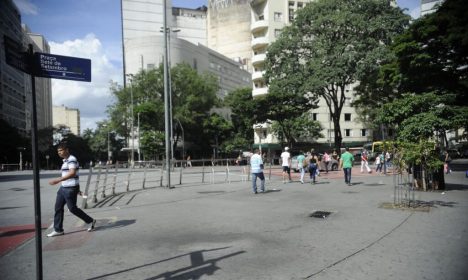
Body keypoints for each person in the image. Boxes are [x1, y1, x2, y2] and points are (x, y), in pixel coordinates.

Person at [47, 142, 96, 237]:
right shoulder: (65, 161)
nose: (59, 153)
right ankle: (58, 230)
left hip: (70, 188)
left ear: (67, 150)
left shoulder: (72, 159)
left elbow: (72, 173)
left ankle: (90, 221)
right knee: (58, 208)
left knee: (72, 208)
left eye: (61, 150)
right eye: (58, 151)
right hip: (63, 188)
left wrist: (57, 180)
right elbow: (72, 175)